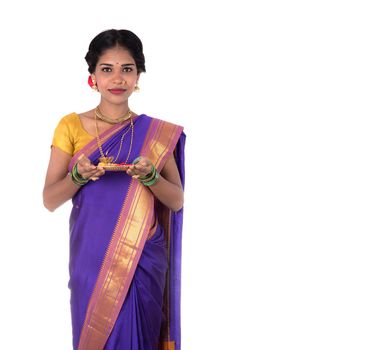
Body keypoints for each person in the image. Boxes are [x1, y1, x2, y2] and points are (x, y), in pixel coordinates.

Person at [43, 29, 185, 350]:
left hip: (142, 257)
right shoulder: (71, 126)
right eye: (107, 69)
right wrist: (77, 177)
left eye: (127, 69)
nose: (118, 78)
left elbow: (176, 200)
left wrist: (150, 177)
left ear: (138, 75)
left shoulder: (156, 133)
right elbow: (50, 198)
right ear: (92, 75)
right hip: (91, 258)